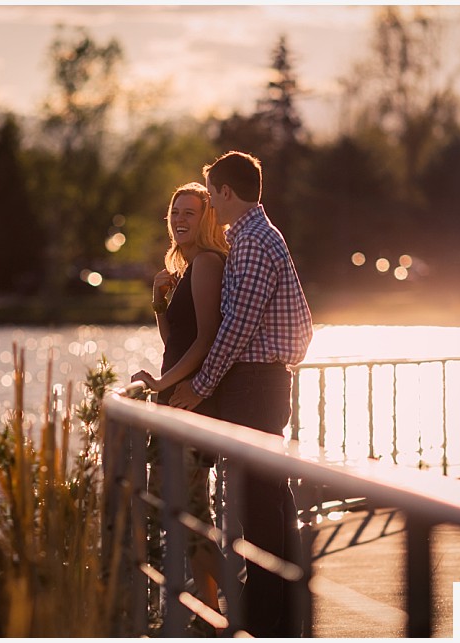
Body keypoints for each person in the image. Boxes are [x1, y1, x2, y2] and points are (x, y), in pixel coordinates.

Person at [169, 151, 313, 637]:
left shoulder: (252, 242)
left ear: (226, 192)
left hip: (256, 385)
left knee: (258, 504)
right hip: (263, 381)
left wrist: (201, 385)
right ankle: (288, 612)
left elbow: (236, 326)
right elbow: (302, 325)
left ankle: (262, 619)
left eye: (211, 193)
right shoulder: (257, 237)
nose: (209, 201)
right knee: (272, 499)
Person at [131, 181, 229, 624]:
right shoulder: (186, 269)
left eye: (190, 212)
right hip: (175, 397)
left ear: (207, 218)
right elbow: (175, 340)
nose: (180, 220)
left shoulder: (208, 263)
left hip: (190, 403)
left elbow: (205, 341)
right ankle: (206, 606)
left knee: (191, 508)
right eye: (175, 213)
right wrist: (158, 300)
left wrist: (160, 384)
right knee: (181, 508)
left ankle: (224, 603)